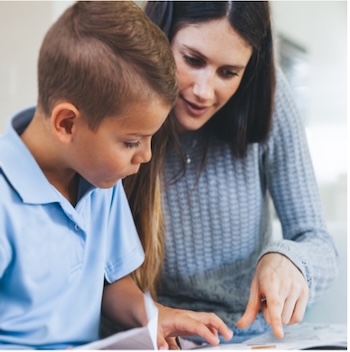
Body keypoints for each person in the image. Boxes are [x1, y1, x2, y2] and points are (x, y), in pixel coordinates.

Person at [0, 1, 234, 349]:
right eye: (131, 142)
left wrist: (153, 315)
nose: (147, 155)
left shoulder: (100, 180)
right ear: (67, 124)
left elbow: (112, 285)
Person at [123, 1, 340, 346]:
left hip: (248, 337)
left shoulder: (269, 96)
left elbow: (318, 241)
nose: (204, 92)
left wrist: (290, 259)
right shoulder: (119, 100)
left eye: (229, 72)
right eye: (193, 60)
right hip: (157, 335)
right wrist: (151, 317)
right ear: (160, 36)